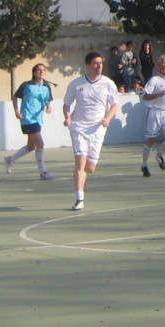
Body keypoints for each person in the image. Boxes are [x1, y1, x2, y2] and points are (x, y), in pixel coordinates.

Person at [62, 52, 120, 211]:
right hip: (79, 127)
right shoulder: (76, 84)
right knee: (80, 162)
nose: (99, 66)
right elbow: (67, 104)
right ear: (88, 65)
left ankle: (81, 180)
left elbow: (114, 104)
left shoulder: (109, 84)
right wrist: (68, 117)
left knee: (90, 167)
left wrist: (107, 119)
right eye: (95, 63)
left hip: (98, 129)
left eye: (101, 63)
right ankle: (79, 198)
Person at [5, 62, 54, 179]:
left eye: (43, 70)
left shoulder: (46, 86)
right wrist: (17, 111)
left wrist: (49, 106)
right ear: (34, 73)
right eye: (39, 70)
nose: (41, 72)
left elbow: (47, 100)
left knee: (31, 146)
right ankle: (43, 172)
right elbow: (15, 96)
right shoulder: (26, 85)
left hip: (38, 119)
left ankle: (10, 159)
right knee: (40, 144)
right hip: (27, 118)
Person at [139, 57, 165, 174]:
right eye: (164, 63)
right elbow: (145, 96)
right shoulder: (154, 80)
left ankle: (159, 155)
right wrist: (159, 94)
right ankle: (144, 165)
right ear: (159, 65)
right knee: (151, 140)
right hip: (154, 112)